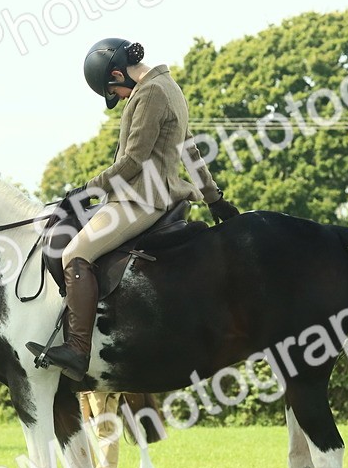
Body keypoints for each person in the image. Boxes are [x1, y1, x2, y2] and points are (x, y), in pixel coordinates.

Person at [27, 38, 240, 381]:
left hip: (141, 198)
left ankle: (78, 350)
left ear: (116, 74)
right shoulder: (169, 87)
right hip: (148, 195)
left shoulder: (150, 94)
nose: (120, 98)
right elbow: (191, 151)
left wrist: (88, 190)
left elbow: (133, 159)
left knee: (74, 254)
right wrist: (213, 197)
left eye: (116, 92)